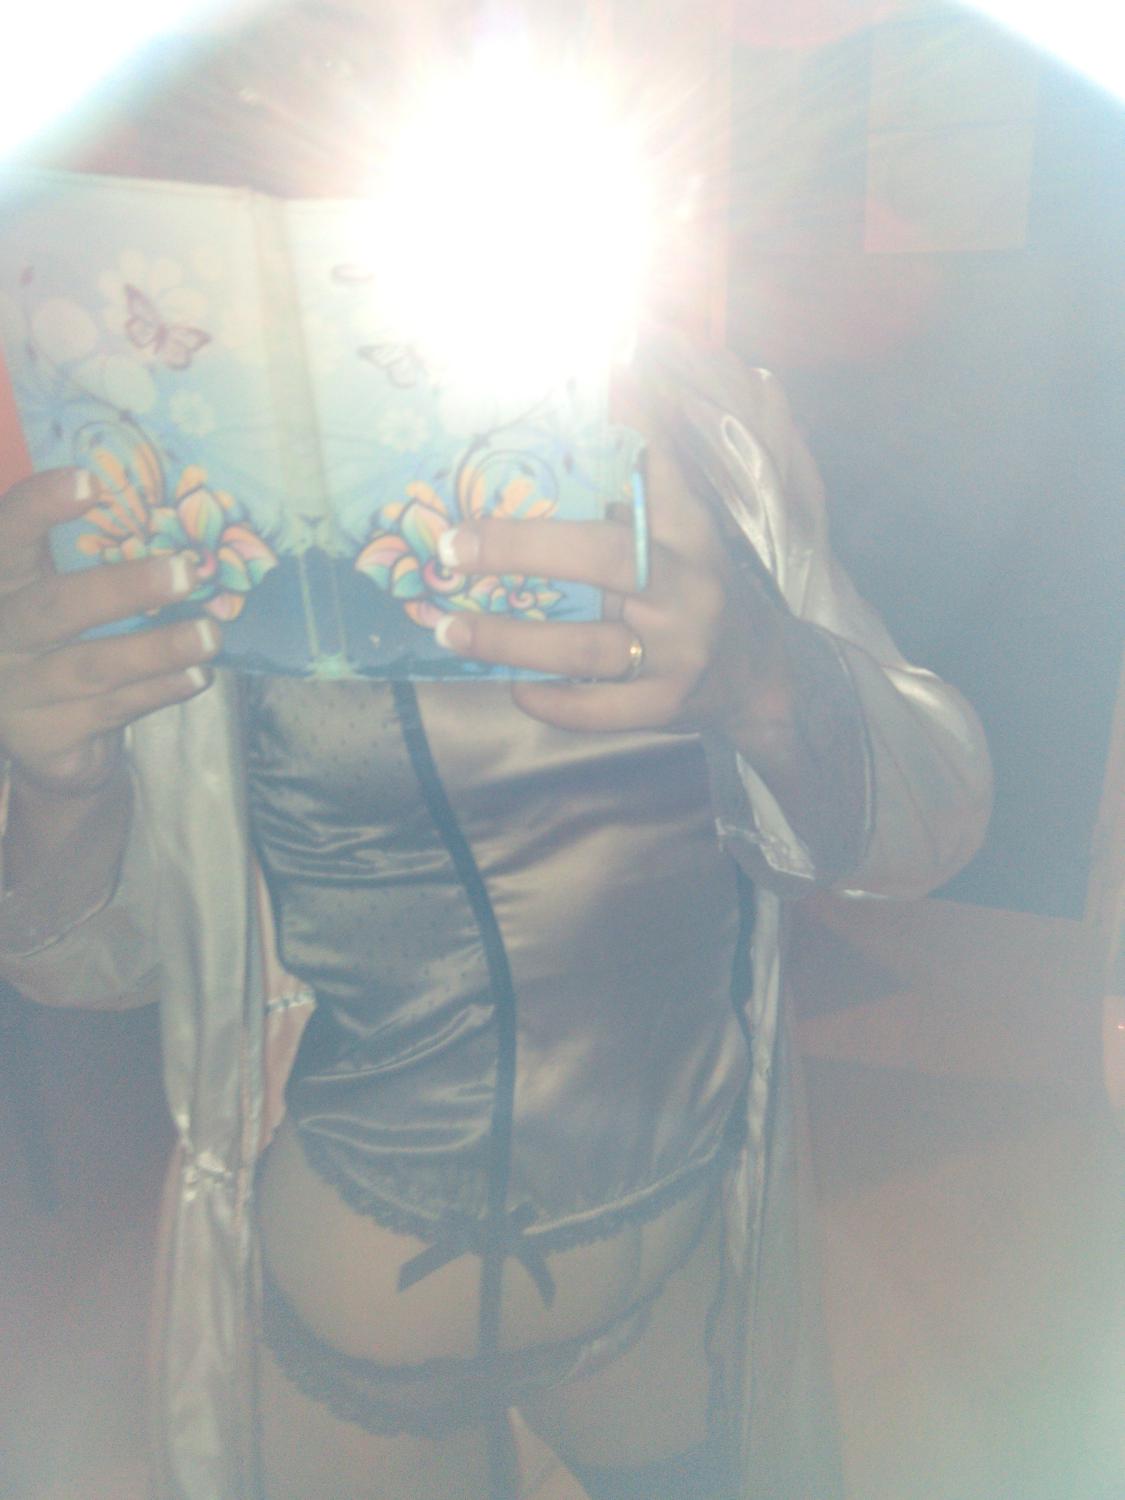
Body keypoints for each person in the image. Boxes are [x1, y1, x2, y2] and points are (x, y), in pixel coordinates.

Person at [0, 4, 993, 1498]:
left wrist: (760, 680)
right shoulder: (194, 485)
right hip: (357, 1313)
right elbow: (105, 964)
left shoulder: (712, 424)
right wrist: (54, 782)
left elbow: (934, 816)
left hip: (685, 1261)